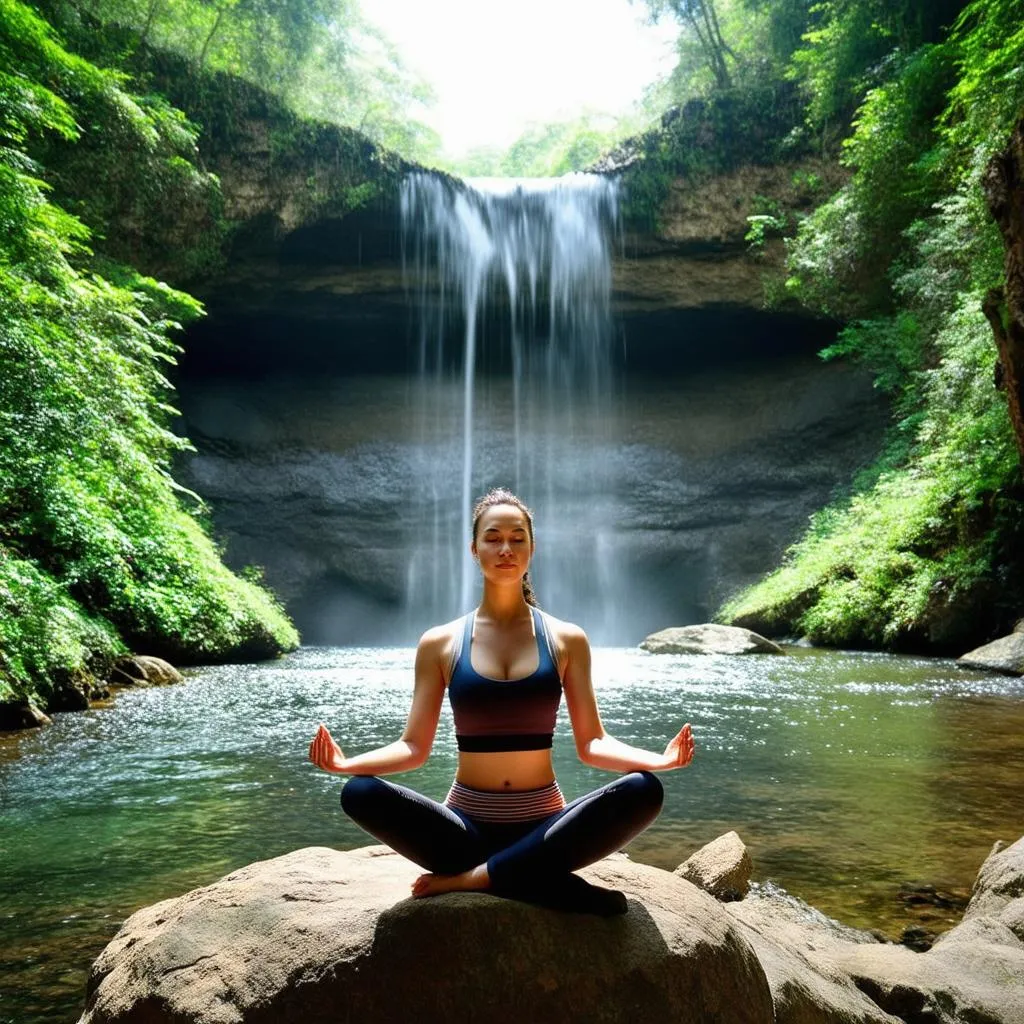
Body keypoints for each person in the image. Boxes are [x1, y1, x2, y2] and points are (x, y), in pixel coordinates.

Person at [308, 487, 695, 915]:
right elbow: (413, 748)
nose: (505, 548)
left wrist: (660, 760)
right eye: (493, 537)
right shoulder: (440, 643)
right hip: (464, 831)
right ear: (474, 549)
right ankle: (540, 880)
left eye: (517, 537)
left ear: (532, 548)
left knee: (644, 790)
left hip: (545, 828)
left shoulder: (567, 639)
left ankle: (475, 879)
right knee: (358, 793)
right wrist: (346, 765)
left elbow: (592, 743)